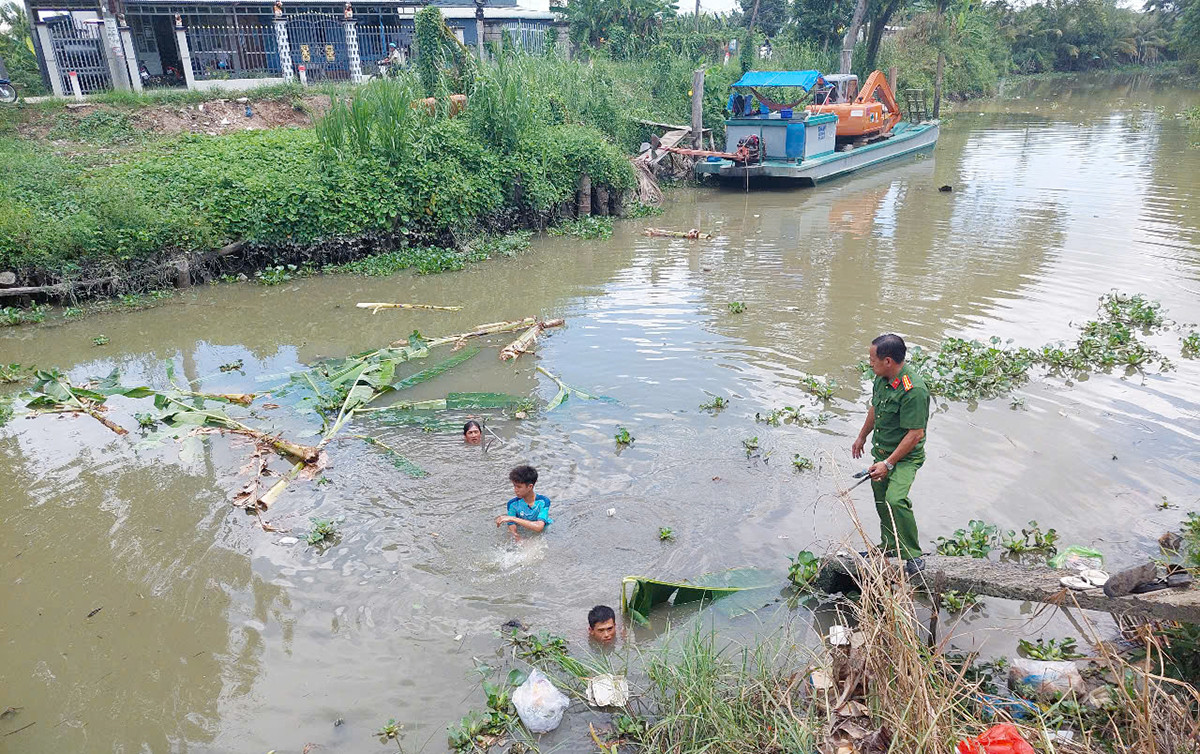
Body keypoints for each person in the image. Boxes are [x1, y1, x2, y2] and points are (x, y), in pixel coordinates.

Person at [851, 333, 930, 575]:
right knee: (881, 499)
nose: (869, 363)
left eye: (872, 359)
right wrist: (862, 435)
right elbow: (876, 407)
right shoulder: (882, 379)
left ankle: (913, 555)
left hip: (905, 458)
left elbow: (915, 434)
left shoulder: (914, 390)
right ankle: (888, 546)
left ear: (887, 361)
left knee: (895, 499)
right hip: (883, 452)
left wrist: (888, 463)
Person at [495, 465, 552, 541]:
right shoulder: (512, 504)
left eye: (518, 487)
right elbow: (512, 526)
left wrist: (512, 518)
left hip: (545, 530)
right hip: (525, 529)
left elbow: (539, 527)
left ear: (530, 487)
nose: (515, 490)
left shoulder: (543, 501)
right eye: (514, 486)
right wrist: (516, 535)